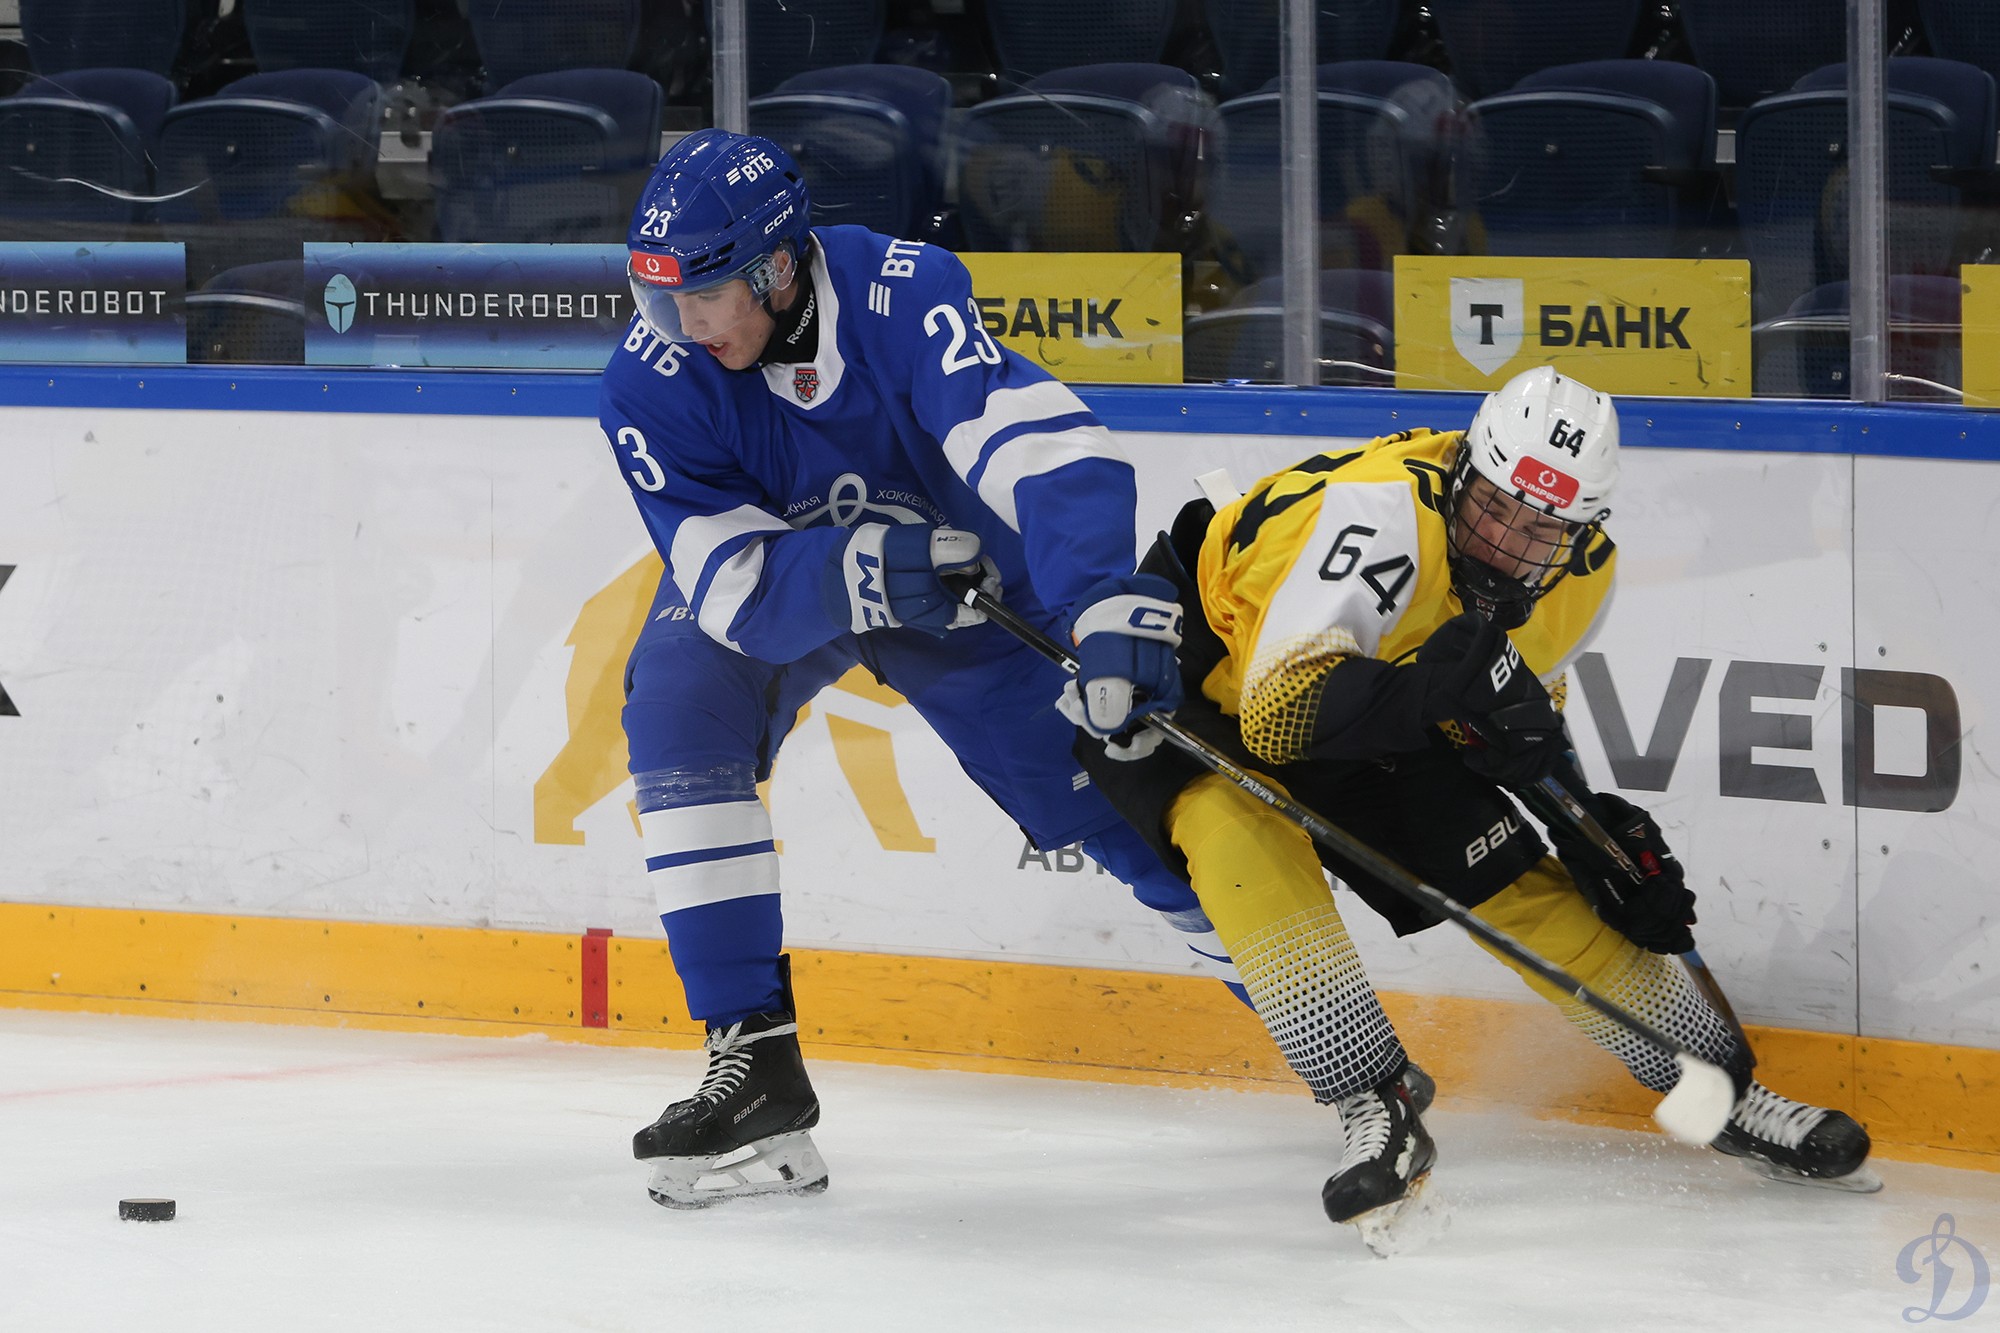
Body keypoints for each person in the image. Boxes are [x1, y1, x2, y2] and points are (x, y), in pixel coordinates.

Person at [599, 129, 1429, 1209]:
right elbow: (729, 583)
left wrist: (1098, 603)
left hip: (975, 590)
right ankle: (751, 1055)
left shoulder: (902, 295)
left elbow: (1045, 449)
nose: (685, 326)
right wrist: (858, 567)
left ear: (779, 265)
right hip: (804, 581)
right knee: (675, 703)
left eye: (706, 296)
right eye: (663, 299)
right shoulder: (652, 378)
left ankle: (1358, 1065)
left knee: (1132, 818)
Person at [1072, 365, 1877, 1243]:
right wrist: (1439, 696)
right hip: (1196, 670)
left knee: (1510, 878)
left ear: (1580, 532)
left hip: (1377, 684)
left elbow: (1511, 722)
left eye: (1539, 530)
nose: (1503, 542)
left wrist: (1587, 831)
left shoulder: (1583, 578)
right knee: (1240, 835)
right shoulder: (1379, 513)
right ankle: (1372, 1100)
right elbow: (1278, 716)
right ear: (1463, 469)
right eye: (1492, 507)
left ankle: (1717, 1094)